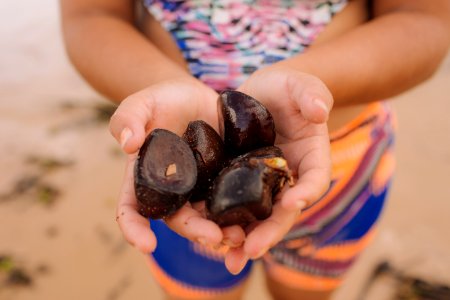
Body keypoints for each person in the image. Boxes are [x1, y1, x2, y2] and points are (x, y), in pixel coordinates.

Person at [60, 0, 450, 299]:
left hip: (344, 169)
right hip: (184, 190)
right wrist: (159, 84)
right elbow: (92, 16)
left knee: (305, 293)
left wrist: (311, 81)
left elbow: (424, 20)